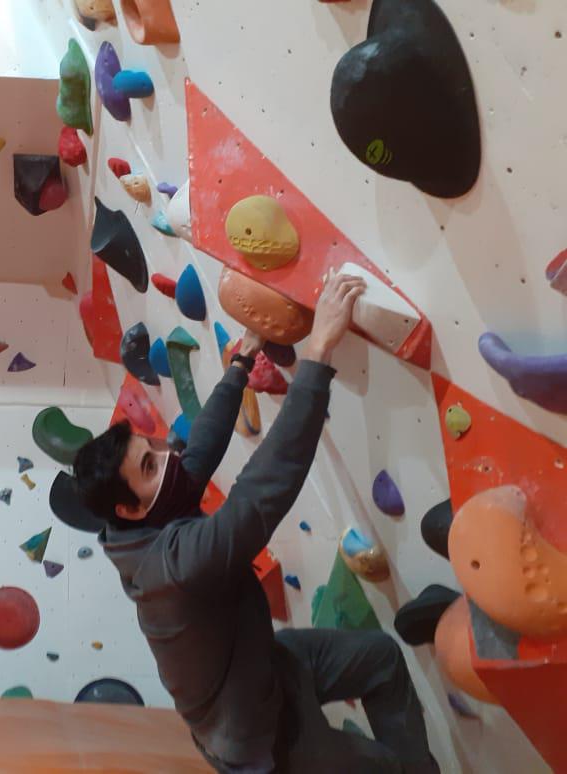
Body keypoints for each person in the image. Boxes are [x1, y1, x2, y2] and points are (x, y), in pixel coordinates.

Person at [73, 271, 439, 774]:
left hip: (268, 668)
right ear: (127, 509)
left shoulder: (147, 513)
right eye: (151, 464)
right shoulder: (172, 568)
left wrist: (241, 360)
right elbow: (259, 496)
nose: (168, 455)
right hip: (259, 742)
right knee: (382, 767)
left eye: (152, 448)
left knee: (380, 659)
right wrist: (317, 354)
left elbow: (197, 451)